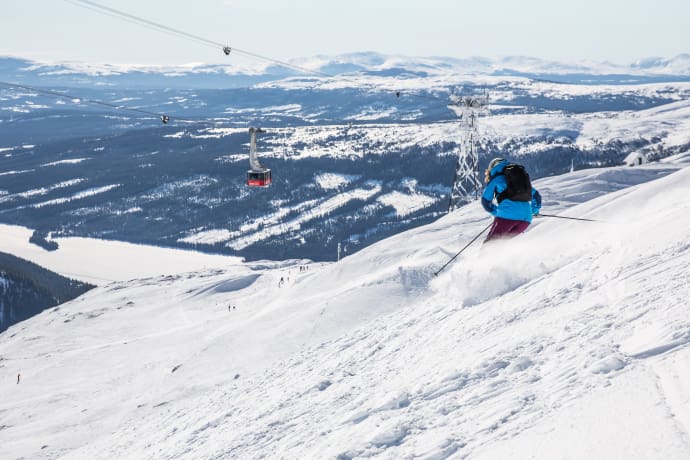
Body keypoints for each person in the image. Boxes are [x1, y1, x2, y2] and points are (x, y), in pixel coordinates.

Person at [481, 157, 541, 243]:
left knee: (490, 244)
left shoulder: (496, 179)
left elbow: (485, 201)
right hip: (526, 219)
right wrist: (534, 211)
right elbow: (537, 196)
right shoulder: (518, 178)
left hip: (507, 216)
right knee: (505, 244)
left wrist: (497, 212)